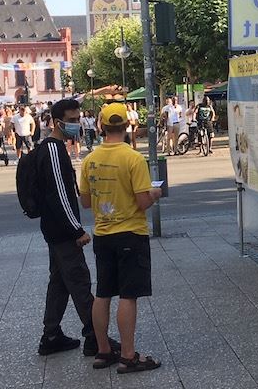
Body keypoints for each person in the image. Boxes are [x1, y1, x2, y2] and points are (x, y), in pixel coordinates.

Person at [80, 103, 162, 373]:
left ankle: (104, 350)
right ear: (127, 125)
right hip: (130, 234)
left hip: (103, 235)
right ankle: (128, 356)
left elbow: (85, 202)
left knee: (103, 293)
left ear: (101, 127)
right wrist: (155, 194)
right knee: (128, 295)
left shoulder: (90, 160)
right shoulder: (133, 158)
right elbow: (142, 202)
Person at [33, 99, 118, 357]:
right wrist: (76, 230)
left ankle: (51, 335)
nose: (76, 124)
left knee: (59, 282)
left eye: (77, 118)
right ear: (56, 122)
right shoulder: (53, 150)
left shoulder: (53, 148)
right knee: (80, 281)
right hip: (62, 232)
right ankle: (95, 337)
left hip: (55, 229)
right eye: (71, 120)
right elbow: (60, 195)